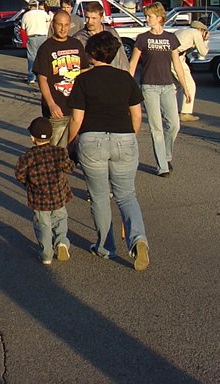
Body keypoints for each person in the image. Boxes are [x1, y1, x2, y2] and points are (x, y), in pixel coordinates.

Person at [66, 31, 149, 270]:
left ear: (91, 53)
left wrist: (71, 143)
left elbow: (76, 119)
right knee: (126, 195)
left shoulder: (83, 80)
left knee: (100, 197)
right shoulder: (125, 78)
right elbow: (136, 115)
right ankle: (138, 240)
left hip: (92, 140)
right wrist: (129, 137)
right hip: (123, 137)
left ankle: (106, 247)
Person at [128, 3, 192, 177]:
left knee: (174, 125)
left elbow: (177, 63)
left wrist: (185, 87)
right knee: (156, 128)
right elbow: (133, 63)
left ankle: (167, 155)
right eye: (146, 16)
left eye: (150, 16)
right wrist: (127, 85)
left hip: (168, 86)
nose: (147, 19)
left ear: (159, 18)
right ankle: (162, 166)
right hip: (149, 87)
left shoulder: (171, 38)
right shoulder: (142, 38)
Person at [15, 116, 73, 265]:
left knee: (43, 225)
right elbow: (69, 167)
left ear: (32, 138)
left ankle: (46, 252)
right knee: (60, 219)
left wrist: (28, 183)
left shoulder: (27, 156)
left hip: (39, 199)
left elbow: (19, 174)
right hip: (59, 195)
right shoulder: (59, 152)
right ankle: (61, 242)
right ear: (51, 135)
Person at [32, 11, 90, 148]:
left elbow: (84, 72)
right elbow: (42, 79)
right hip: (57, 111)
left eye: (66, 25)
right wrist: (51, 104)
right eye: (59, 25)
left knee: (76, 148)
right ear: (53, 25)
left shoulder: (76, 44)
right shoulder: (46, 48)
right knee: (56, 149)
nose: (63, 29)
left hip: (77, 108)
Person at [73, 2, 128, 70]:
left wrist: (127, 76)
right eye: (87, 17)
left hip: (114, 76)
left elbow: (122, 59)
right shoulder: (78, 38)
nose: (90, 21)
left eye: (94, 18)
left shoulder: (112, 32)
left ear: (101, 18)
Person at [173, 20, 210, 122]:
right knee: (189, 85)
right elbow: (203, 52)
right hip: (176, 59)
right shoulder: (196, 33)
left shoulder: (182, 31)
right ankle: (185, 112)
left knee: (177, 85)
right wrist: (205, 41)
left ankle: (175, 110)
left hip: (169, 58)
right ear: (202, 30)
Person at [21, 0, 50, 85]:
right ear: (36, 5)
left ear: (29, 6)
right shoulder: (42, 13)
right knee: (43, 57)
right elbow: (49, 20)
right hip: (43, 37)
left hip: (32, 37)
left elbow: (23, 28)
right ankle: (45, 76)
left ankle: (31, 78)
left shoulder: (25, 15)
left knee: (31, 58)